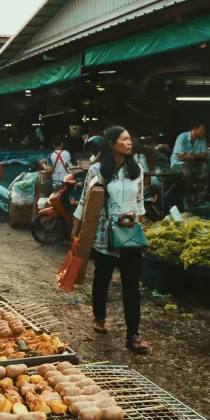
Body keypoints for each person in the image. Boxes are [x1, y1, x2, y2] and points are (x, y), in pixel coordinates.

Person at [72, 125, 149, 354]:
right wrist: (76, 233)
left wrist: (141, 229)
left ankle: (133, 334)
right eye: (124, 139)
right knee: (102, 279)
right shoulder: (97, 170)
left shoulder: (137, 170)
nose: (129, 142)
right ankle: (99, 316)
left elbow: (140, 202)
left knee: (132, 286)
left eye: (129, 139)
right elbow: (85, 201)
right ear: (111, 144)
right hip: (104, 236)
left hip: (130, 235)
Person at [171, 121, 210, 208]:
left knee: (204, 173)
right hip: (178, 164)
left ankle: (199, 202)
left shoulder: (202, 139)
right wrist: (196, 156)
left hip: (193, 164)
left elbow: (204, 155)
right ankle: (186, 200)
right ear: (195, 129)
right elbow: (180, 156)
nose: (204, 132)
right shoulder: (182, 137)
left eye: (205, 130)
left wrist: (191, 156)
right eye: (202, 130)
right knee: (187, 173)